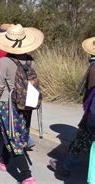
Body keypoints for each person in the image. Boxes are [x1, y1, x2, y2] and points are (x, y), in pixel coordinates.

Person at [0, 24, 44, 184]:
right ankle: (3, 161)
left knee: (14, 138)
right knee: (14, 133)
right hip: (27, 103)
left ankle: (27, 176)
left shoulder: (4, 61)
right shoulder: (31, 60)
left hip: (9, 103)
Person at [49, 36, 95, 178]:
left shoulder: (94, 68)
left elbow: (91, 91)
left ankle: (66, 167)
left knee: (82, 140)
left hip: (93, 113)